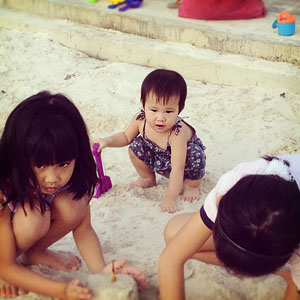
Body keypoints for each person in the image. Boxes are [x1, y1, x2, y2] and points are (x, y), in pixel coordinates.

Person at [0, 91, 147, 299]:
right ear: (18, 156)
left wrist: (101, 270)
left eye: (63, 164)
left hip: (23, 221)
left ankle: (34, 253)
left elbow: (84, 229)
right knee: (32, 219)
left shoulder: (71, 177)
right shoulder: (4, 185)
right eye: (40, 165)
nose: (52, 178)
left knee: (73, 205)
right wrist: (63, 290)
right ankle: (12, 261)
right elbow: (6, 267)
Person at [158, 154, 300, 300]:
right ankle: (284, 273)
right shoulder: (230, 189)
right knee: (174, 233)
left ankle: (291, 278)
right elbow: (171, 258)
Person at [95, 69, 206, 213]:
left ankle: (193, 185)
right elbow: (126, 137)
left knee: (195, 154)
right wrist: (106, 141)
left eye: (168, 111)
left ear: (180, 108)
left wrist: (170, 198)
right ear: (143, 104)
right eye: (153, 110)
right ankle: (148, 178)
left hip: (184, 165)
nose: (160, 118)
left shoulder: (177, 134)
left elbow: (177, 169)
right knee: (135, 145)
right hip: (161, 160)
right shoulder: (140, 119)